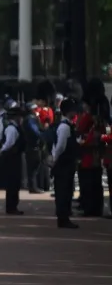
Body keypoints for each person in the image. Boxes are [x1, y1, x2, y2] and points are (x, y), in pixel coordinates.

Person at [51, 98, 80, 229]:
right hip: (63, 163)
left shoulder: (67, 125)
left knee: (67, 190)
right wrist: (55, 159)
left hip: (66, 163)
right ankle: (63, 218)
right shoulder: (64, 127)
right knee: (63, 191)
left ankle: (64, 217)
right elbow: (60, 146)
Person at [0, 99, 25, 215]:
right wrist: (1, 150)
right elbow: (8, 144)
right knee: (12, 183)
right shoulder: (11, 128)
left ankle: (13, 205)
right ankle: (11, 206)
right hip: (11, 158)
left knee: (15, 182)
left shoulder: (15, 127)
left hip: (15, 157)